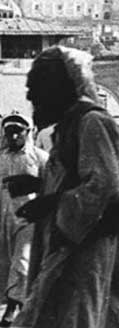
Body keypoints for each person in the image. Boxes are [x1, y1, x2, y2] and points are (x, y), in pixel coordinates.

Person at [14, 46, 119, 327]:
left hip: (88, 246)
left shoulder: (92, 121)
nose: (31, 97)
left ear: (58, 86)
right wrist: (40, 185)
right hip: (73, 242)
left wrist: (50, 203)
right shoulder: (70, 125)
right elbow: (79, 179)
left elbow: (104, 187)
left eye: (36, 88)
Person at [0, 113, 48, 326]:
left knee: (22, 260)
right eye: (9, 132)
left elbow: (51, 185)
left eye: (18, 131)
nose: (13, 136)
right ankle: (17, 303)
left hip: (29, 219)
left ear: (28, 132)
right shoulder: (1, 157)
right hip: (3, 217)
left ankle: (12, 309)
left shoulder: (40, 157)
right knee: (7, 261)